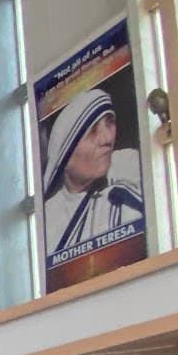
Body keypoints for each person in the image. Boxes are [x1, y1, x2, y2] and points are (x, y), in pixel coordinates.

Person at [42, 87, 144, 259]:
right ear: (64, 158)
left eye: (109, 122)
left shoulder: (129, 167)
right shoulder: (47, 218)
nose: (107, 139)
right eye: (92, 131)